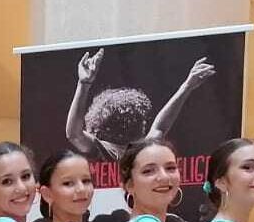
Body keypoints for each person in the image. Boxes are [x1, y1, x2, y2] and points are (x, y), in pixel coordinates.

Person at [65, 49, 216, 162]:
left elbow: (74, 134)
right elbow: (160, 127)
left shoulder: (136, 150)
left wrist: (84, 84)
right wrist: (186, 87)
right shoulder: (107, 150)